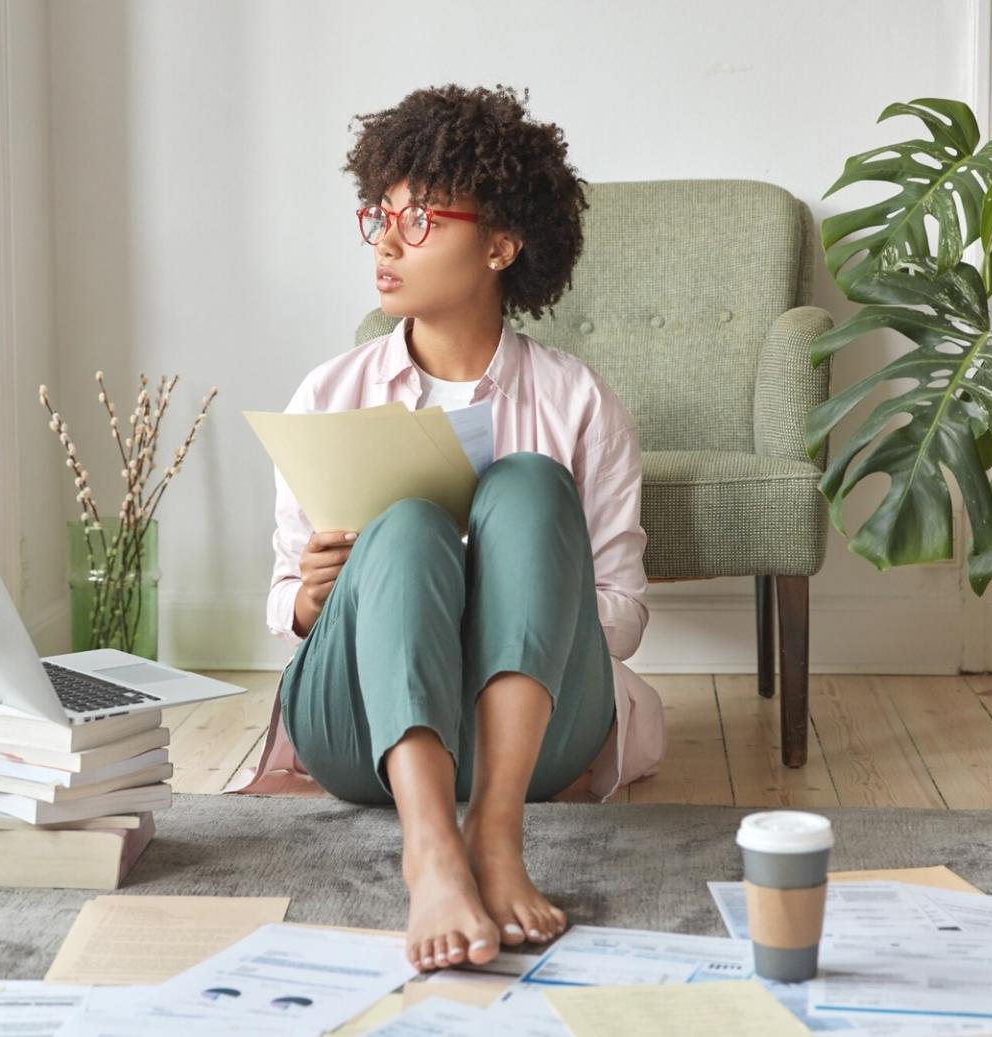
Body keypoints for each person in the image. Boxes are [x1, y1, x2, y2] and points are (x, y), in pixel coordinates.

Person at [227, 83, 665, 974]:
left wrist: (516, 584)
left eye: (420, 219)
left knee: (529, 485)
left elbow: (620, 620)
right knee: (408, 523)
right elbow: (284, 607)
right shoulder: (328, 393)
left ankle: (495, 835)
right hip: (361, 732)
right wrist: (312, 595)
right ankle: (429, 851)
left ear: (500, 245)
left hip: (536, 739)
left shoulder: (579, 401)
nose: (386, 242)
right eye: (379, 216)